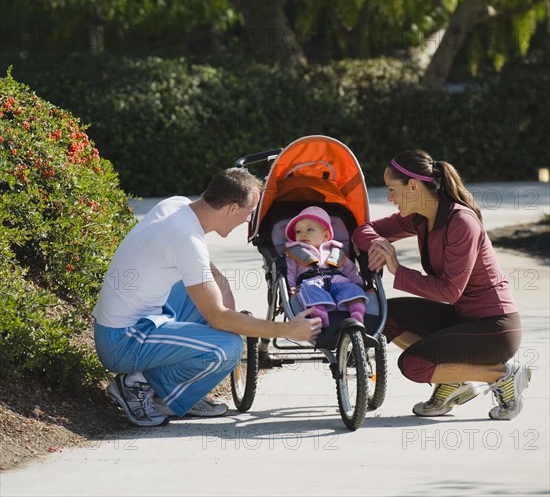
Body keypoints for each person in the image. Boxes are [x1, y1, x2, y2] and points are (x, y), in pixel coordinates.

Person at [93, 168, 322, 427]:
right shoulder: (186, 240)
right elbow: (219, 317)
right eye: (249, 213)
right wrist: (287, 329)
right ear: (231, 209)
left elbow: (192, 261)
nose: (248, 221)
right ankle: (136, 386)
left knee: (205, 296)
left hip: (128, 322)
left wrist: (220, 281)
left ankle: (181, 391)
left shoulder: (179, 206)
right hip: (123, 343)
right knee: (227, 348)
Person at [352, 149, 532, 420]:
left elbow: (449, 291)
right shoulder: (420, 217)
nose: (388, 197)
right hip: (462, 319)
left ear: (412, 186)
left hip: (495, 329)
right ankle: (455, 379)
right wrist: (379, 244)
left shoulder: (461, 222)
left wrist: (397, 269)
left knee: (413, 365)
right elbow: (362, 229)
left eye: (392, 189)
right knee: (386, 317)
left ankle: (503, 375)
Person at [285, 206, 371, 328]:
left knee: (352, 289)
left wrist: (357, 283)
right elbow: (290, 272)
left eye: (309, 230)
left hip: (340, 282)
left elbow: (350, 270)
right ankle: (320, 313)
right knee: (308, 289)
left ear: (325, 235)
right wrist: (292, 288)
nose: (303, 234)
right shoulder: (295, 253)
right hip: (312, 282)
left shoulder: (336, 251)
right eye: (298, 231)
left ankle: (357, 312)